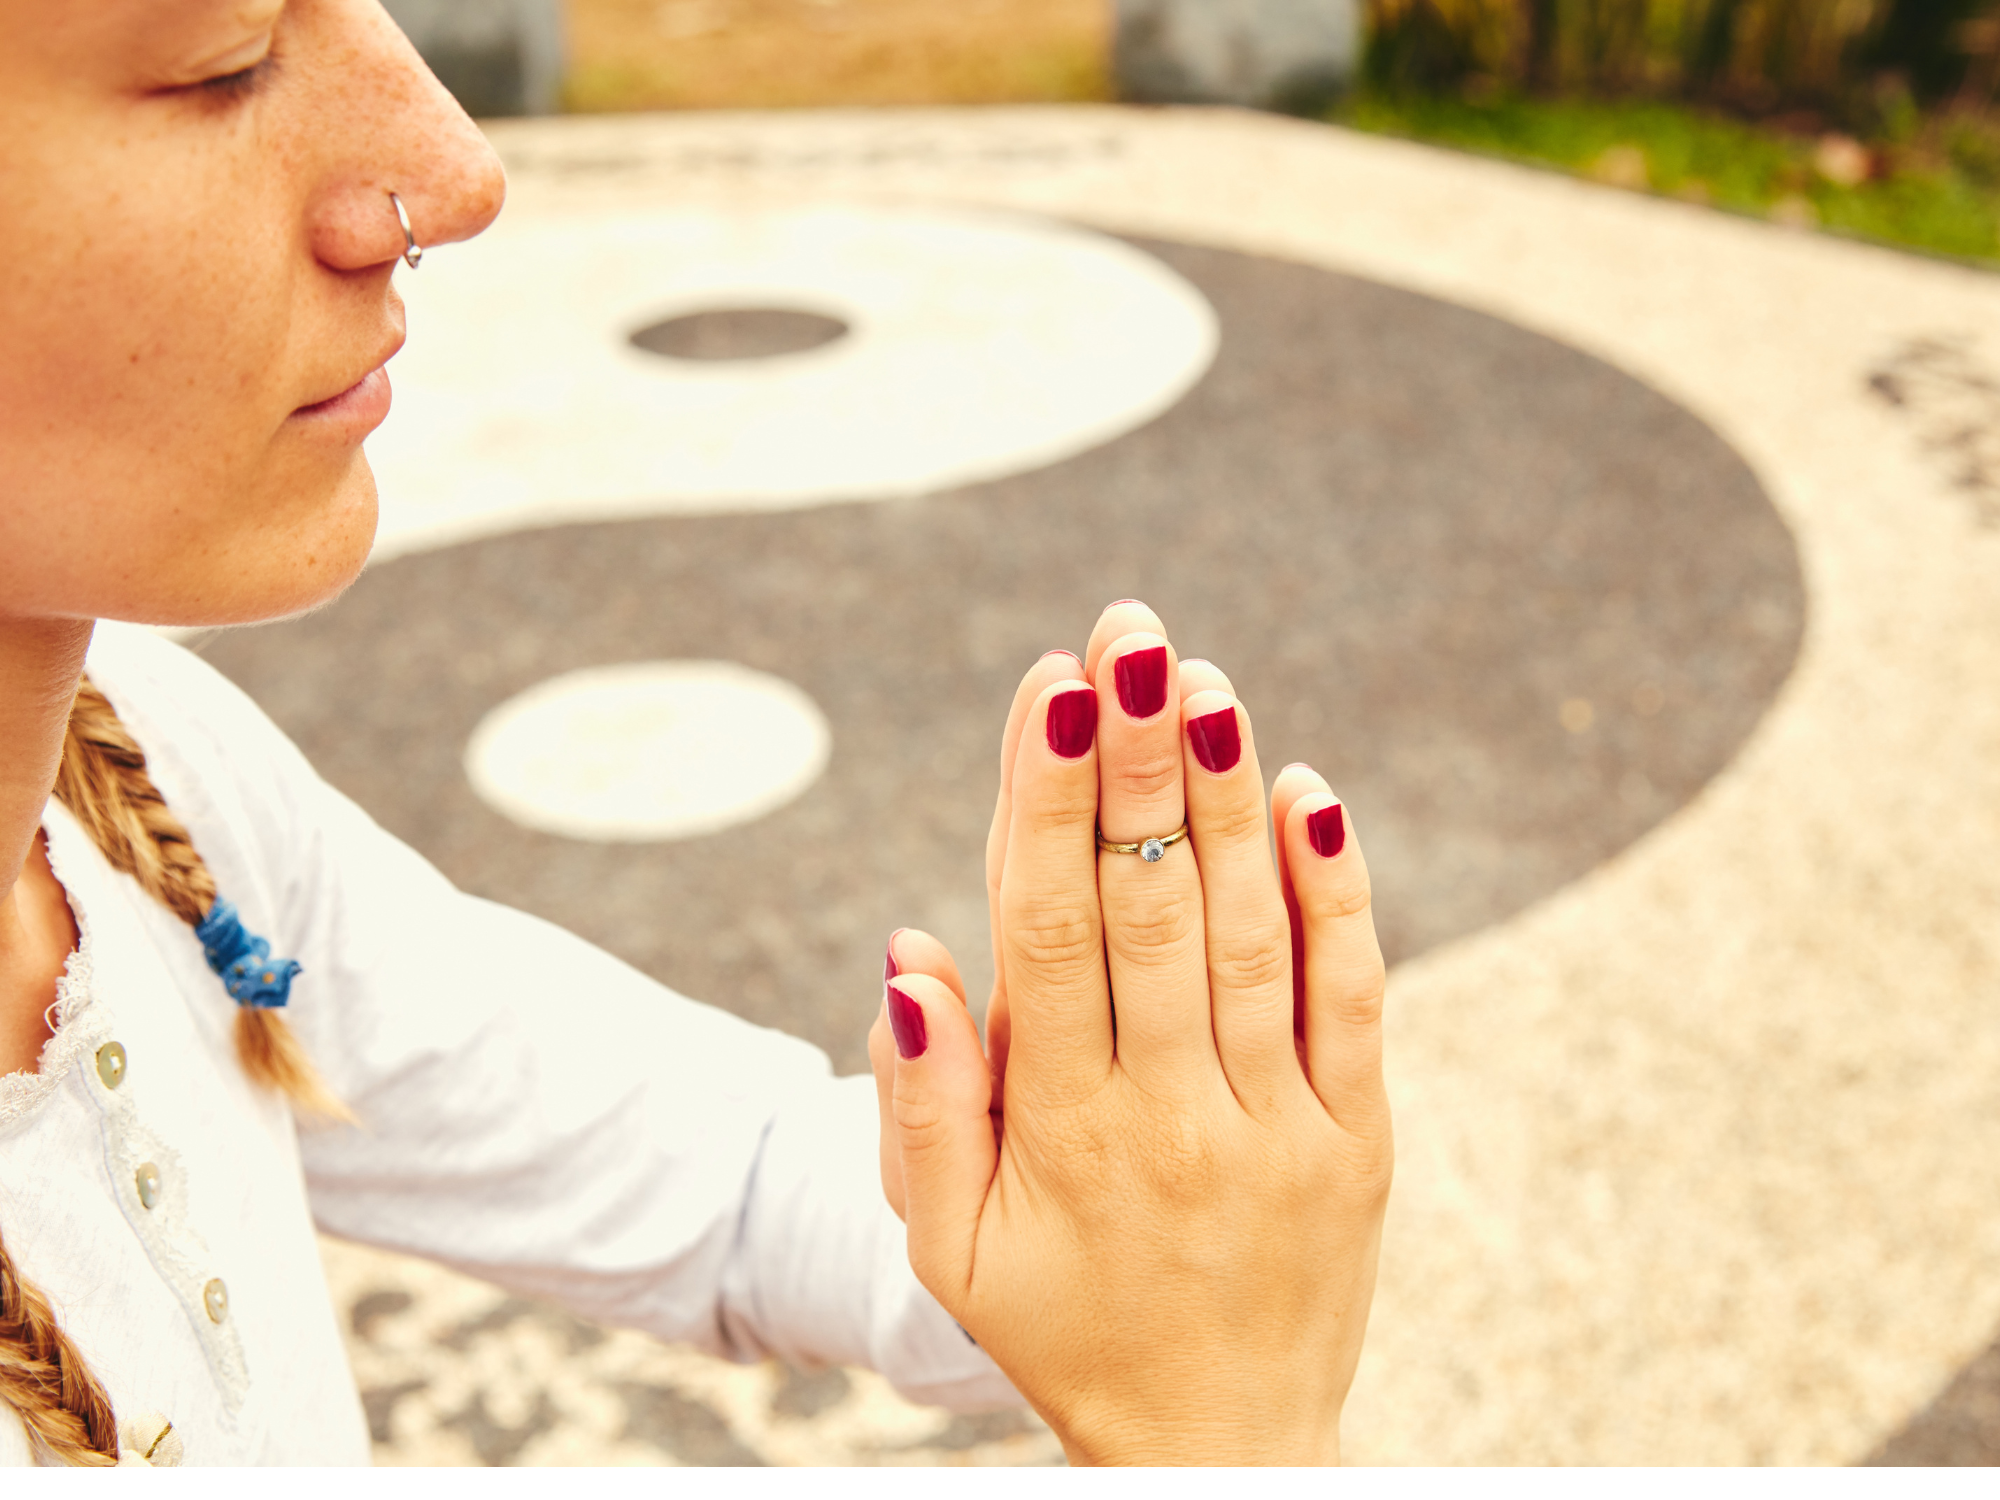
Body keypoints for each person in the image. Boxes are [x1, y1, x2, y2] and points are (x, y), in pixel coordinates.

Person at [0, 0, 1392, 1467]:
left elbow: (728, 1185)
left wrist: (1134, 1208)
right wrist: (1222, 1431)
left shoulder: (139, 776)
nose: (453, 174)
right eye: (224, 61)